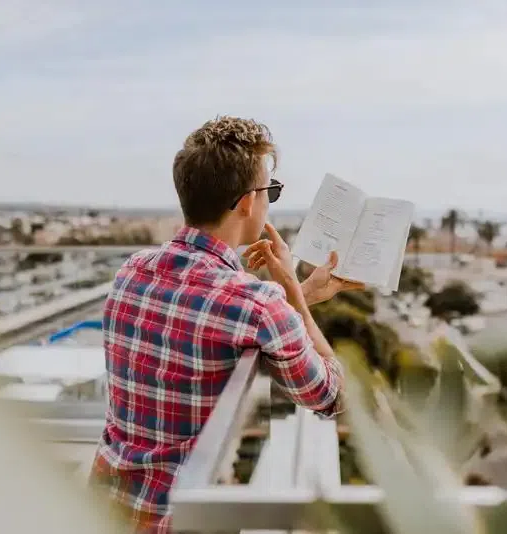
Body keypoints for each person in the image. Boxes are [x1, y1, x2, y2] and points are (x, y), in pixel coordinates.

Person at [89, 116, 363, 533]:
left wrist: (298, 294)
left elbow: (203, 320)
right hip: (179, 521)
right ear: (248, 201)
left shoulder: (132, 272)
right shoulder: (255, 304)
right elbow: (332, 395)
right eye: (270, 191)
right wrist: (290, 287)